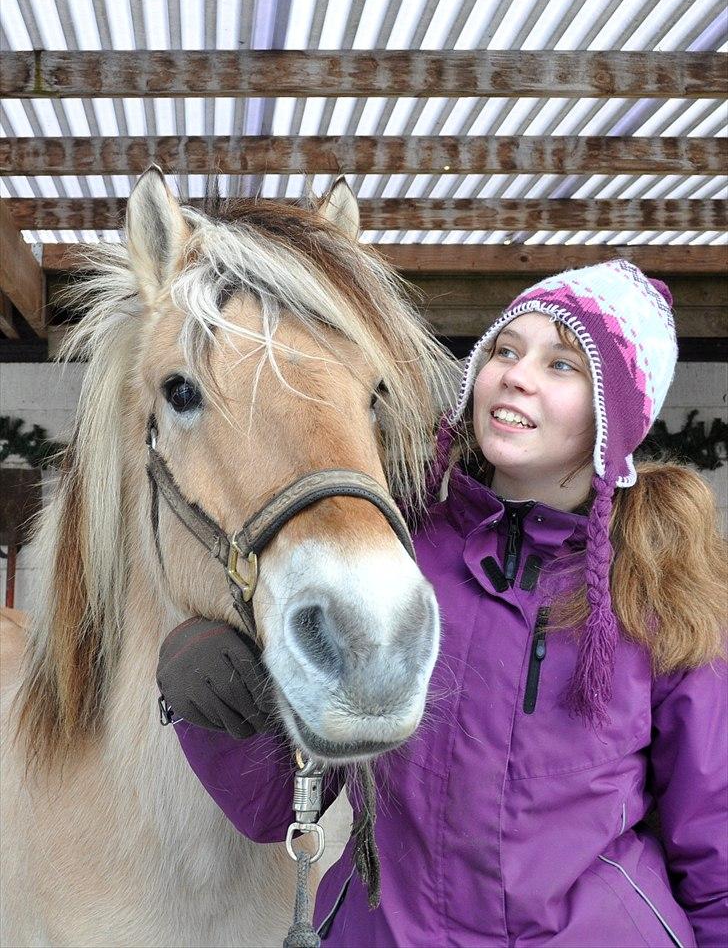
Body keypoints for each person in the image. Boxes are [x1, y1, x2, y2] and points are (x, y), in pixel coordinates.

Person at [157, 260, 728, 947]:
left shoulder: (663, 589)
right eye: (505, 351)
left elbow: (715, 840)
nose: (517, 374)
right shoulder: (400, 554)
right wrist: (212, 703)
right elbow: (277, 801)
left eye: (563, 365)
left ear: (616, 417)